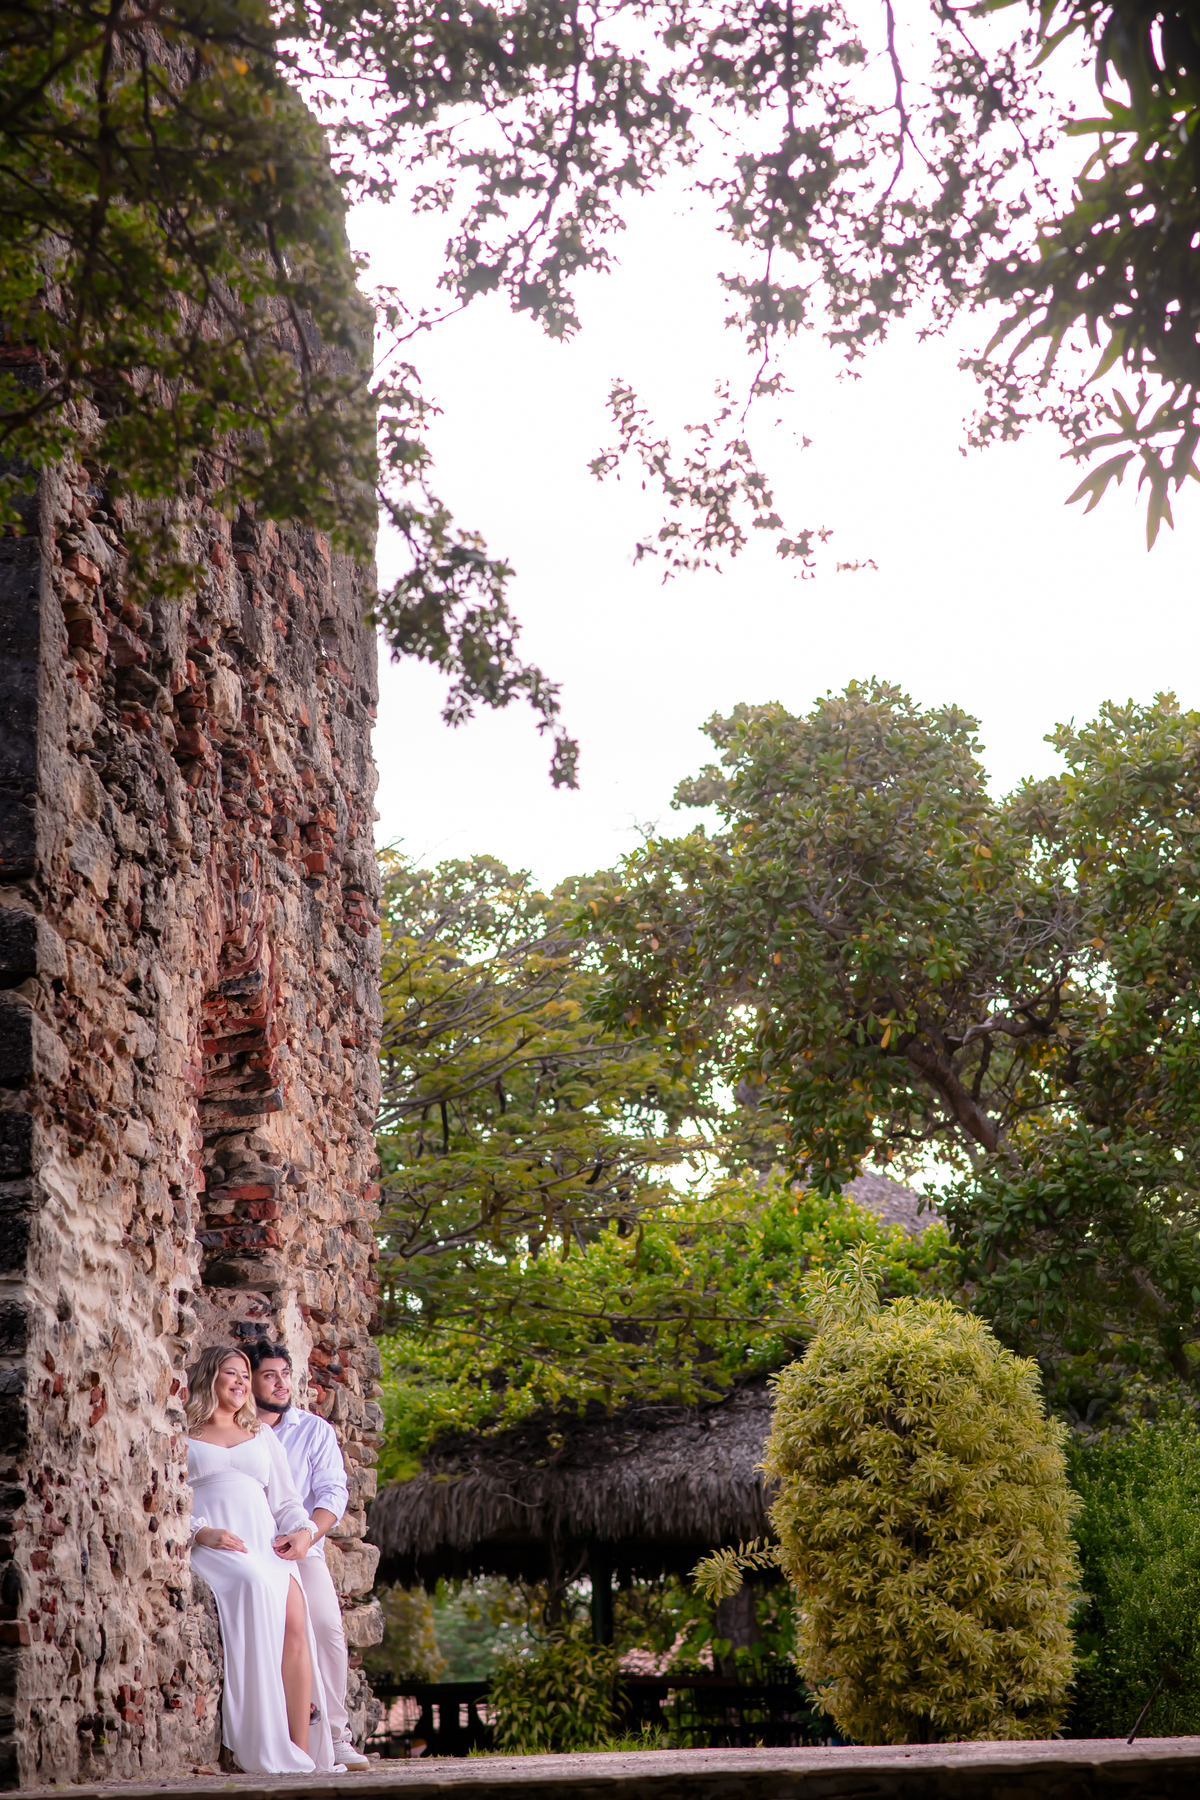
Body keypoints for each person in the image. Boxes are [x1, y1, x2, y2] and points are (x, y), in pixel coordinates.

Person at [185, 1345, 341, 1776]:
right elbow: (168, 1500)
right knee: (252, 1583)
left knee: (297, 1627)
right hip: (219, 1543)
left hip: (266, 1541)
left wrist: (302, 1532)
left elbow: (288, 1502)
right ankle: (263, 1740)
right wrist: (201, 1532)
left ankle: (302, 1750)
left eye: (243, 1374)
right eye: (230, 1373)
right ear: (209, 1378)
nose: (239, 1381)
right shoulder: (182, 1433)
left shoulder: (261, 1434)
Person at [246, 1338, 371, 1768]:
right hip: (247, 1546)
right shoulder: (235, 1430)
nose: (282, 1384)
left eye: (285, 1374)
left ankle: (336, 1736)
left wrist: (307, 1536)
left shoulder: (314, 1429)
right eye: (270, 1376)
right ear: (249, 1381)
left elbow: (334, 1492)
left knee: (326, 1627)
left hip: (303, 1548)